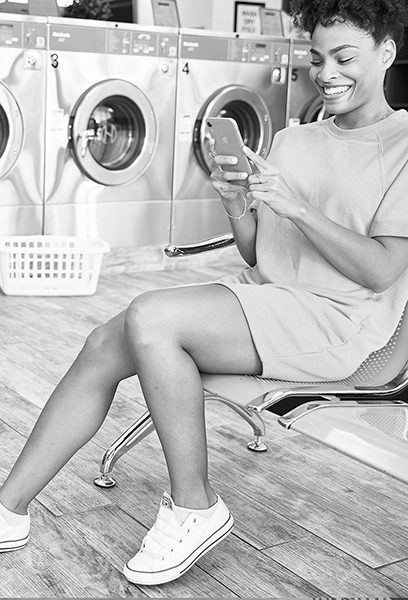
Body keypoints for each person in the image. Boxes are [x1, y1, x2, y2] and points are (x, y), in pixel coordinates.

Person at [1, 0, 408, 587]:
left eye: (344, 57)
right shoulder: (295, 140)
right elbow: (257, 253)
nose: (327, 73)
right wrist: (235, 200)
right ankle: (9, 507)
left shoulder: (402, 148)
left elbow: (382, 270)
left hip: (335, 321)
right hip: (265, 297)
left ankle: (195, 505)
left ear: (387, 53)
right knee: (103, 341)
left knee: (151, 318)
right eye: (317, 59)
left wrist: (293, 203)